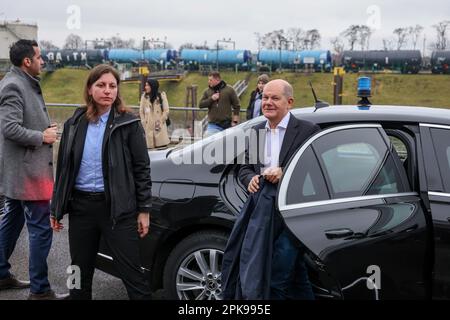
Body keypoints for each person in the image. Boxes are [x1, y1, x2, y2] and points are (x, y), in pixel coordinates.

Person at [50, 64, 152, 300]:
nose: (107, 91)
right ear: (89, 89)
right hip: (81, 208)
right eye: (101, 85)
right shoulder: (74, 123)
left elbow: (142, 169)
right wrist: (56, 207)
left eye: (112, 86)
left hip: (118, 210)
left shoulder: (129, 123)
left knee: (133, 275)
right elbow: (64, 169)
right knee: (77, 272)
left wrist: (144, 210)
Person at [222, 79, 321, 300]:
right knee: (295, 274)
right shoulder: (257, 130)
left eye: (274, 98)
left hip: (292, 215)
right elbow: (245, 167)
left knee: (276, 276)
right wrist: (250, 179)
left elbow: (314, 169)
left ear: (290, 102)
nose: (268, 102)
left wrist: (285, 171)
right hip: (261, 214)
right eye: (265, 97)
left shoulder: (307, 130)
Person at [0, 39, 68, 300]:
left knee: (12, 222)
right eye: (39, 57)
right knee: (40, 229)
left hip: (20, 173)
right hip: (29, 174)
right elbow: (9, 128)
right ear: (27, 61)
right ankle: (40, 290)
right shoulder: (14, 86)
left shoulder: (17, 82)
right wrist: (43, 137)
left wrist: (42, 130)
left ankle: (1, 274)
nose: (43, 61)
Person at [199, 71, 241, 136]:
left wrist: (235, 121)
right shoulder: (207, 91)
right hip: (213, 125)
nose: (209, 82)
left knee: (226, 145)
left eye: (211, 80)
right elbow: (200, 105)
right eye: (208, 80)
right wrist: (211, 99)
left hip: (227, 125)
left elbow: (237, 105)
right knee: (211, 144)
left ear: (217, 79)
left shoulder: (229, 89)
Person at [139, 78, 170, 149]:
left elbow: (166, 110)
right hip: (148, 126)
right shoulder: (144, 97)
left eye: (147, 85)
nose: (145, 87)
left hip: (159, 126)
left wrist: (161, 121)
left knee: (161, 148)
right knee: (149, 148)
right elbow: (141, 111)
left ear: (153, 86)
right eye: (145, 85)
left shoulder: (161, 95)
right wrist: (143, 122)